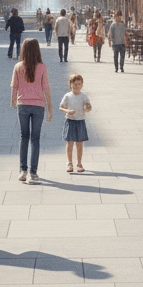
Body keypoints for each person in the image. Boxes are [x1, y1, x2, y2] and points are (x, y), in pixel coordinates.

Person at [11, 38, 52, 185]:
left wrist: (13, 101)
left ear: (23, 50)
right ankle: (33, 173)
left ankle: (23, 171)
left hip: (22, 105)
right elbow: (46, 89)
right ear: (37, 50)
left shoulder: (17, 66)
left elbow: (14, 87)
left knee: (24, 137)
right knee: (35, 139)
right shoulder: (42, 67)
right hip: (38, 106)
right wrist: (50, 109)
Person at [60, 72, 91, 173]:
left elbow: (88, 108)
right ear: (70, 85)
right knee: (69, 143)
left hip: (80, 121)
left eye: (79, 84)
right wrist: (67, 111)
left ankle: (79, 163)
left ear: (82, 85)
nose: (76, 86)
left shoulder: (84, 97)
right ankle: (69, 163)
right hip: (70, 121)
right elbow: (61, 107)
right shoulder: (68, 96)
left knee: (79, 144)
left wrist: (87, 108)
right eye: (74, 84)